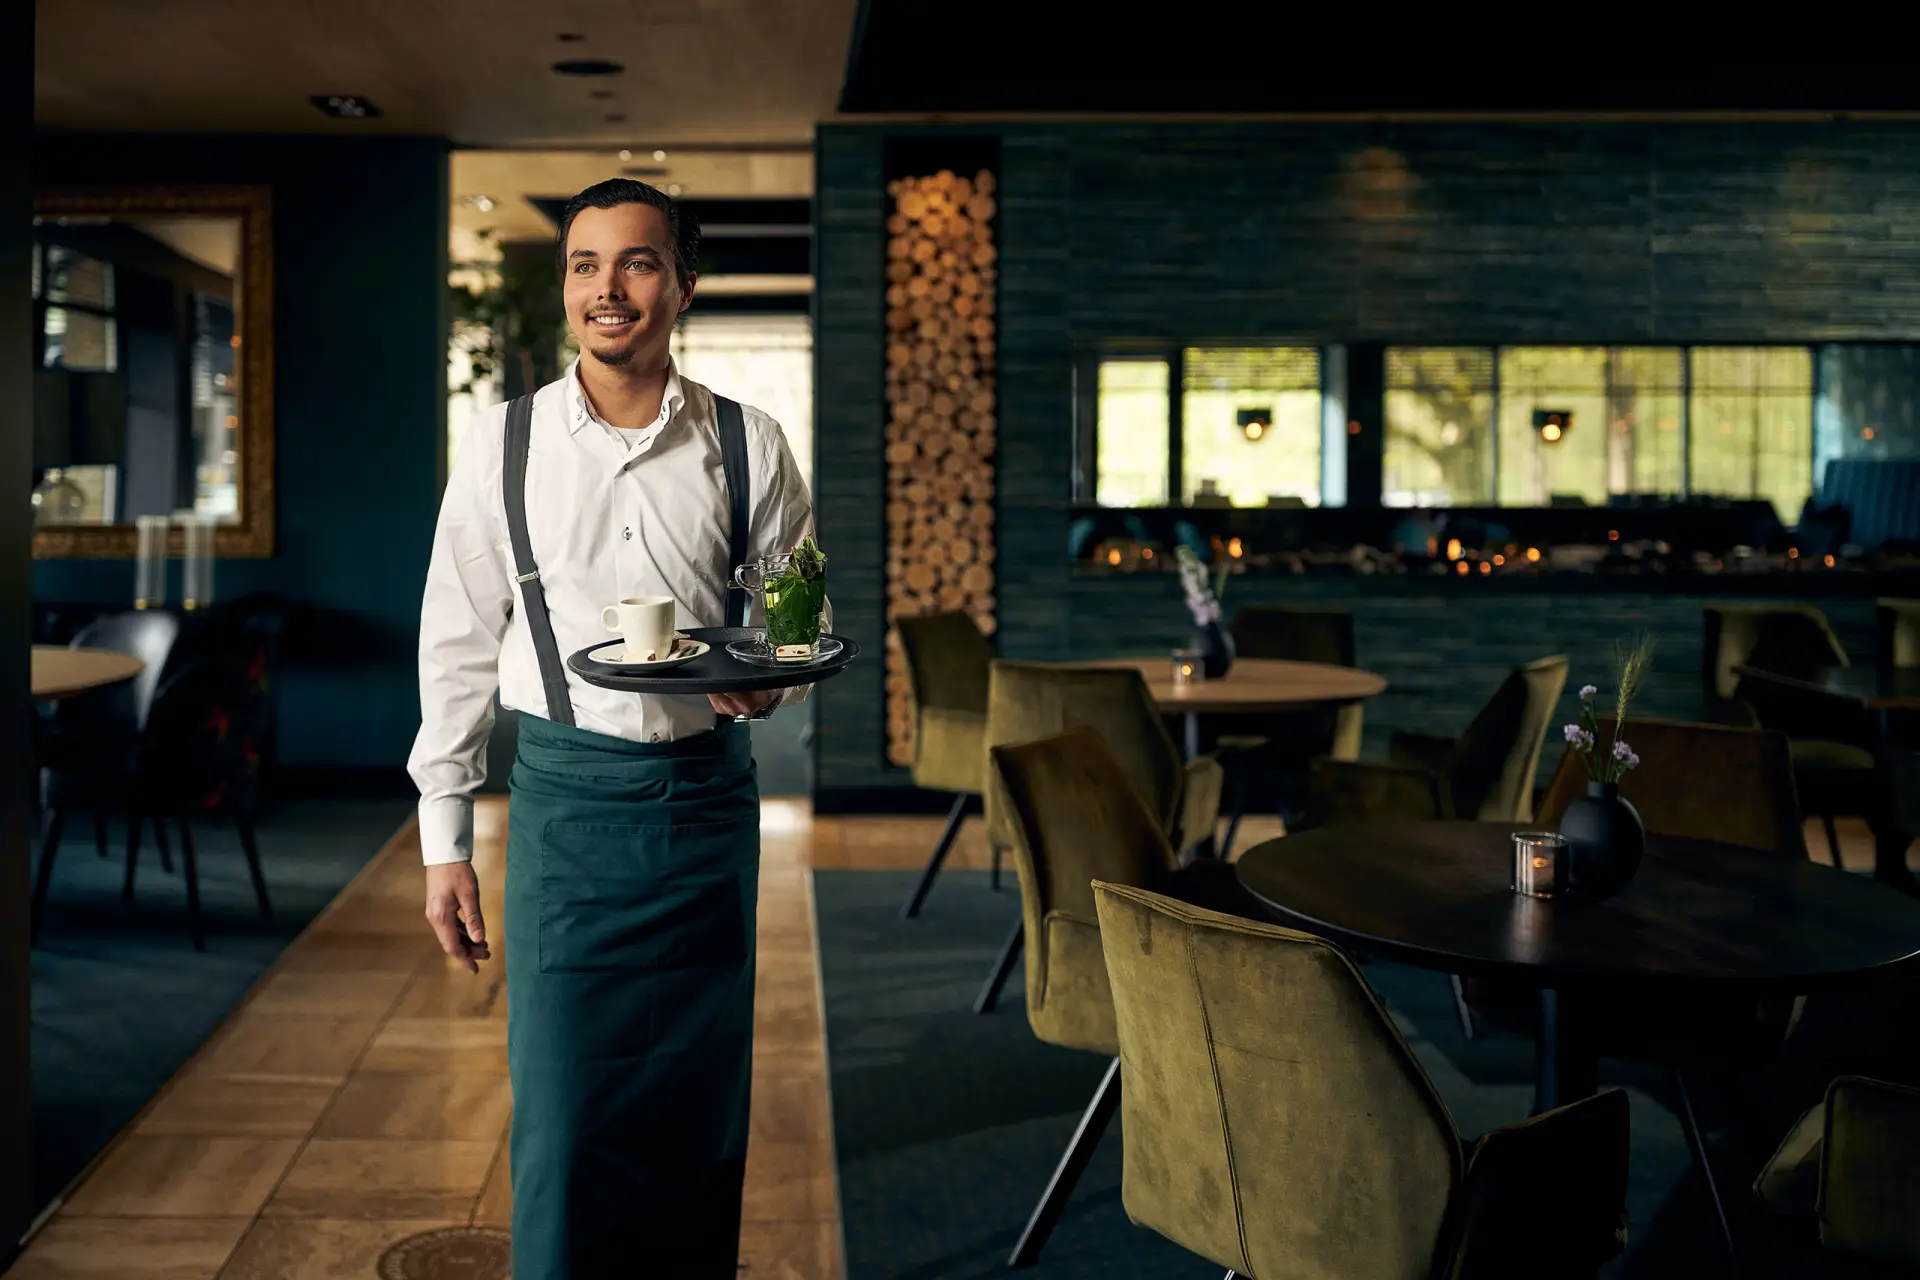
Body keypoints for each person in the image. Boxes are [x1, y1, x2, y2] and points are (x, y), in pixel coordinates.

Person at [408, 178, 818, 1278]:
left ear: (682, 285)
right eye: (586, 264)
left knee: (696, 1113)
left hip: (707, 808)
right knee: (565, 1116)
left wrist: (769, 673)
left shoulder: (751, 441)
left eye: (636, 262)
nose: (608, 288)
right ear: (566, 288)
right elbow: (455, 641)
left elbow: (798, 611)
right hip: (568, 808)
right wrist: (444, 838)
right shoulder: (504, 445)